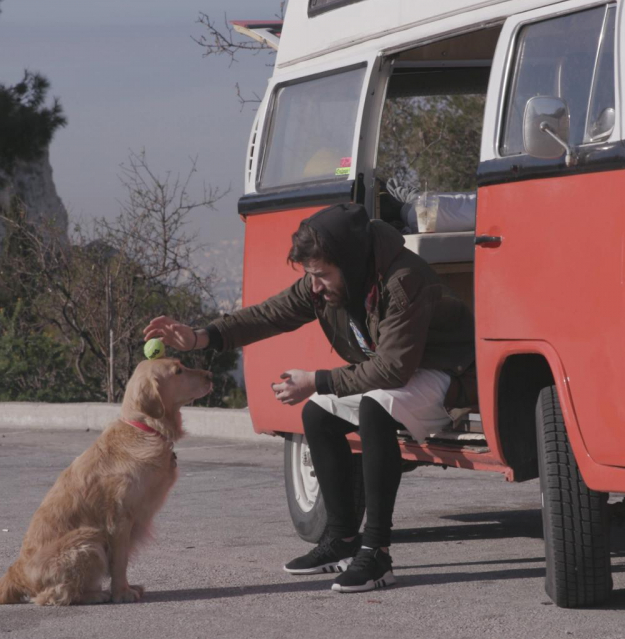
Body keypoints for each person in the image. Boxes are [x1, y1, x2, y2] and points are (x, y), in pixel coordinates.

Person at [143, 202, 475, 594]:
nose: (314, 285)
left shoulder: (403, 280)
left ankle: (377, 553)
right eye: (310, 276)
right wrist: (202, 337)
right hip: (398, 369)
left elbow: (393, 370)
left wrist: (317, 380)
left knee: (374, 407)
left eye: (320, 275)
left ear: (349, 262)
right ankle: (343, 540)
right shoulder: (328, 282)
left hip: (445, 372)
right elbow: (269, 314)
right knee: (319, 414)